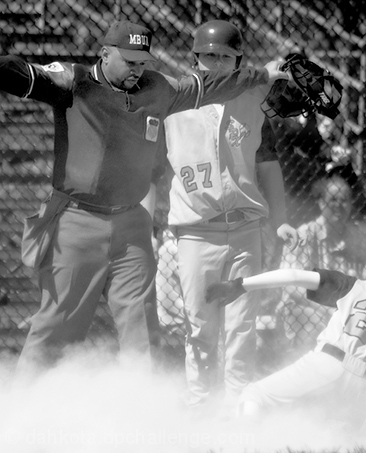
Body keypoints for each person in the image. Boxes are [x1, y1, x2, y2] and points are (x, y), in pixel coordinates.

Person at [0, 19, 288, 379]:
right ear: (105, 54)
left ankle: (145, 411)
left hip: (131, 225)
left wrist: (262, 74)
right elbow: (17, 72)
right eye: (129, 60)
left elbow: (211, 86)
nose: (137, 69)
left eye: (142, 61)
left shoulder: (158, 88)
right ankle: (25, 409)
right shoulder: (74, 81)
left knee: (142, 326)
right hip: (77, 221)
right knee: (57, 324)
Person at [160, 20, 298, 411]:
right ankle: (201, 404)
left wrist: (280, 219)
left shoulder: (254, 100)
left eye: (225, 56)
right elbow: (152, 164)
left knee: (242, 325)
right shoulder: (176, 99)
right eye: (208, 55)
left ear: (239, 59)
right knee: (200, 325)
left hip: (244, 230)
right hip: (195, 232)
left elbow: (267, 163)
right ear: (195, 58)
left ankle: (238, 404)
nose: (216, 63)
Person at [206, 250, 366, 426]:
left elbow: (293, 276)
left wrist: (240, 284)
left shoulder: (359, 286)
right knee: (330, 434)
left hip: (330, 363)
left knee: (254, 395)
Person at [276, 168, 366, 361]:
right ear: (321, 202)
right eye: (333, 200)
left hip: (347, 313)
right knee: (312, 321)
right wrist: (330, 310)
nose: (339, 205)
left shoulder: (358, 238)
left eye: (344, 200)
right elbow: (291, 287)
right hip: (308, 309)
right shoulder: (304, 235)